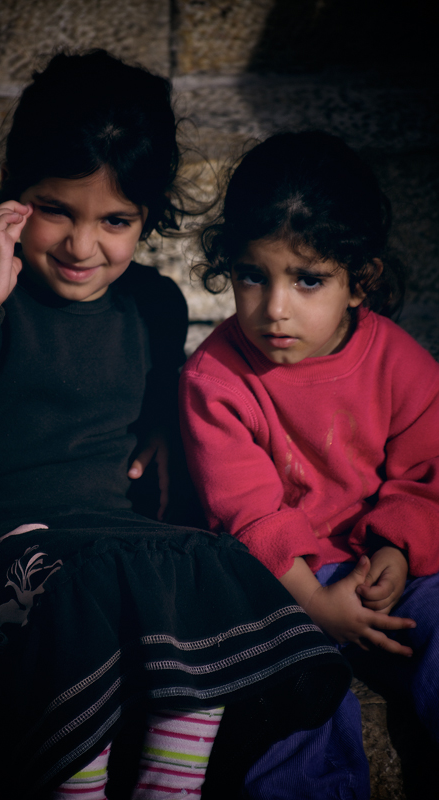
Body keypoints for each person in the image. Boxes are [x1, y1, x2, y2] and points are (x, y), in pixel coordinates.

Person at [0, 58, 350, 800]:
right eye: (56, 210)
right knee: (80, 591)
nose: (83, 247)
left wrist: (162, 431)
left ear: (148, 219)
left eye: (114, 222)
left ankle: (164, 787)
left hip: (105, 539)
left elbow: (140, 409)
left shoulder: (151, 304)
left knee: (213, 568)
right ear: (15, 197)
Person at [179, 130, 439, 799]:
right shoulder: (215, 378)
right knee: (287, 689)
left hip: (384, 569)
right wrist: (318, 604)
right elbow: (247, 512)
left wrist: (398, 554)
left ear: (360, 282)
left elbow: (423, 476)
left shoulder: (400, 363)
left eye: (308, 280)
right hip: (276, 582)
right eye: (250, 276)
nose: (274, 309)